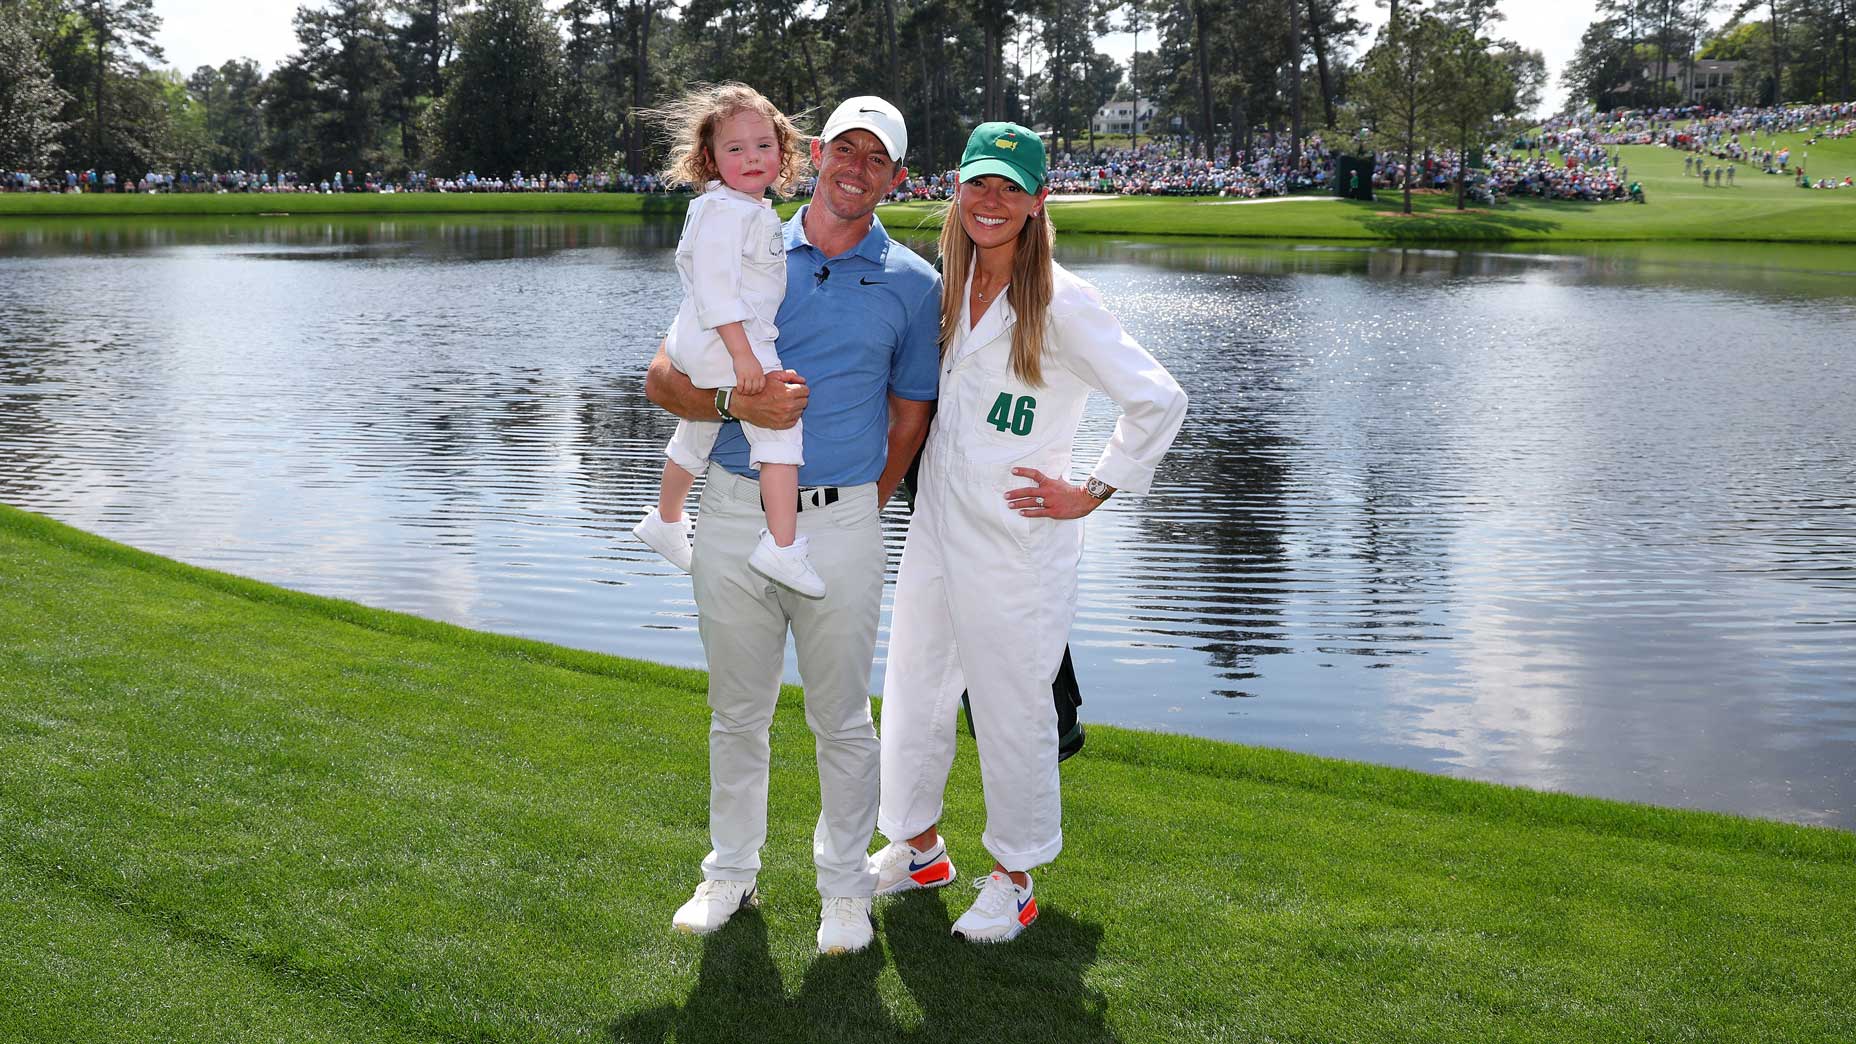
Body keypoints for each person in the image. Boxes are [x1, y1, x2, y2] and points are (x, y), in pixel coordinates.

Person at [869, 123, 1188, 943]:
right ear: (957, 192)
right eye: (980, 183)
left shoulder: (1066, 302)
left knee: (1012, 710)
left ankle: (1015, 876)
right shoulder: (942, 288)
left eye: (1012, 187)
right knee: (912, 690)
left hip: (1017, 543)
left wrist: (1092, 489)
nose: (992, 201)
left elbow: (1159, 400)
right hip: (936, 523)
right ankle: (918, 845)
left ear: (1039, 200)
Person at [644, 95, 940, 956]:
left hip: (844, 522)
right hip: (736, 508)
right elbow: (663, 379)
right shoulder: (750, 237)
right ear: (814, 153)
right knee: (738, 714)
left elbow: (911, 415)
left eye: (875, 157)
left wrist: (864, 504)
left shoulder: (914, 285)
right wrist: (739, 398)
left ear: (895, 177)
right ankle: (731, 871)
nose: (855, 166)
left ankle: (844, 888)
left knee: (843, 719)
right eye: (843, 147)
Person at [631, 83, 824, 597]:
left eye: (764, 145)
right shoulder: (724, 211)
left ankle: (666, 520)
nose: (752, 157)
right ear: (710, 159)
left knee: (700, 423)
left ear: (783, 152)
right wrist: (744, 358)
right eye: (734, 149)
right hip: (726, 338)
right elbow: (717, 291)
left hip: (703, 337)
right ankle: (782, 548)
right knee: (780, 427)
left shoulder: (743, 208)